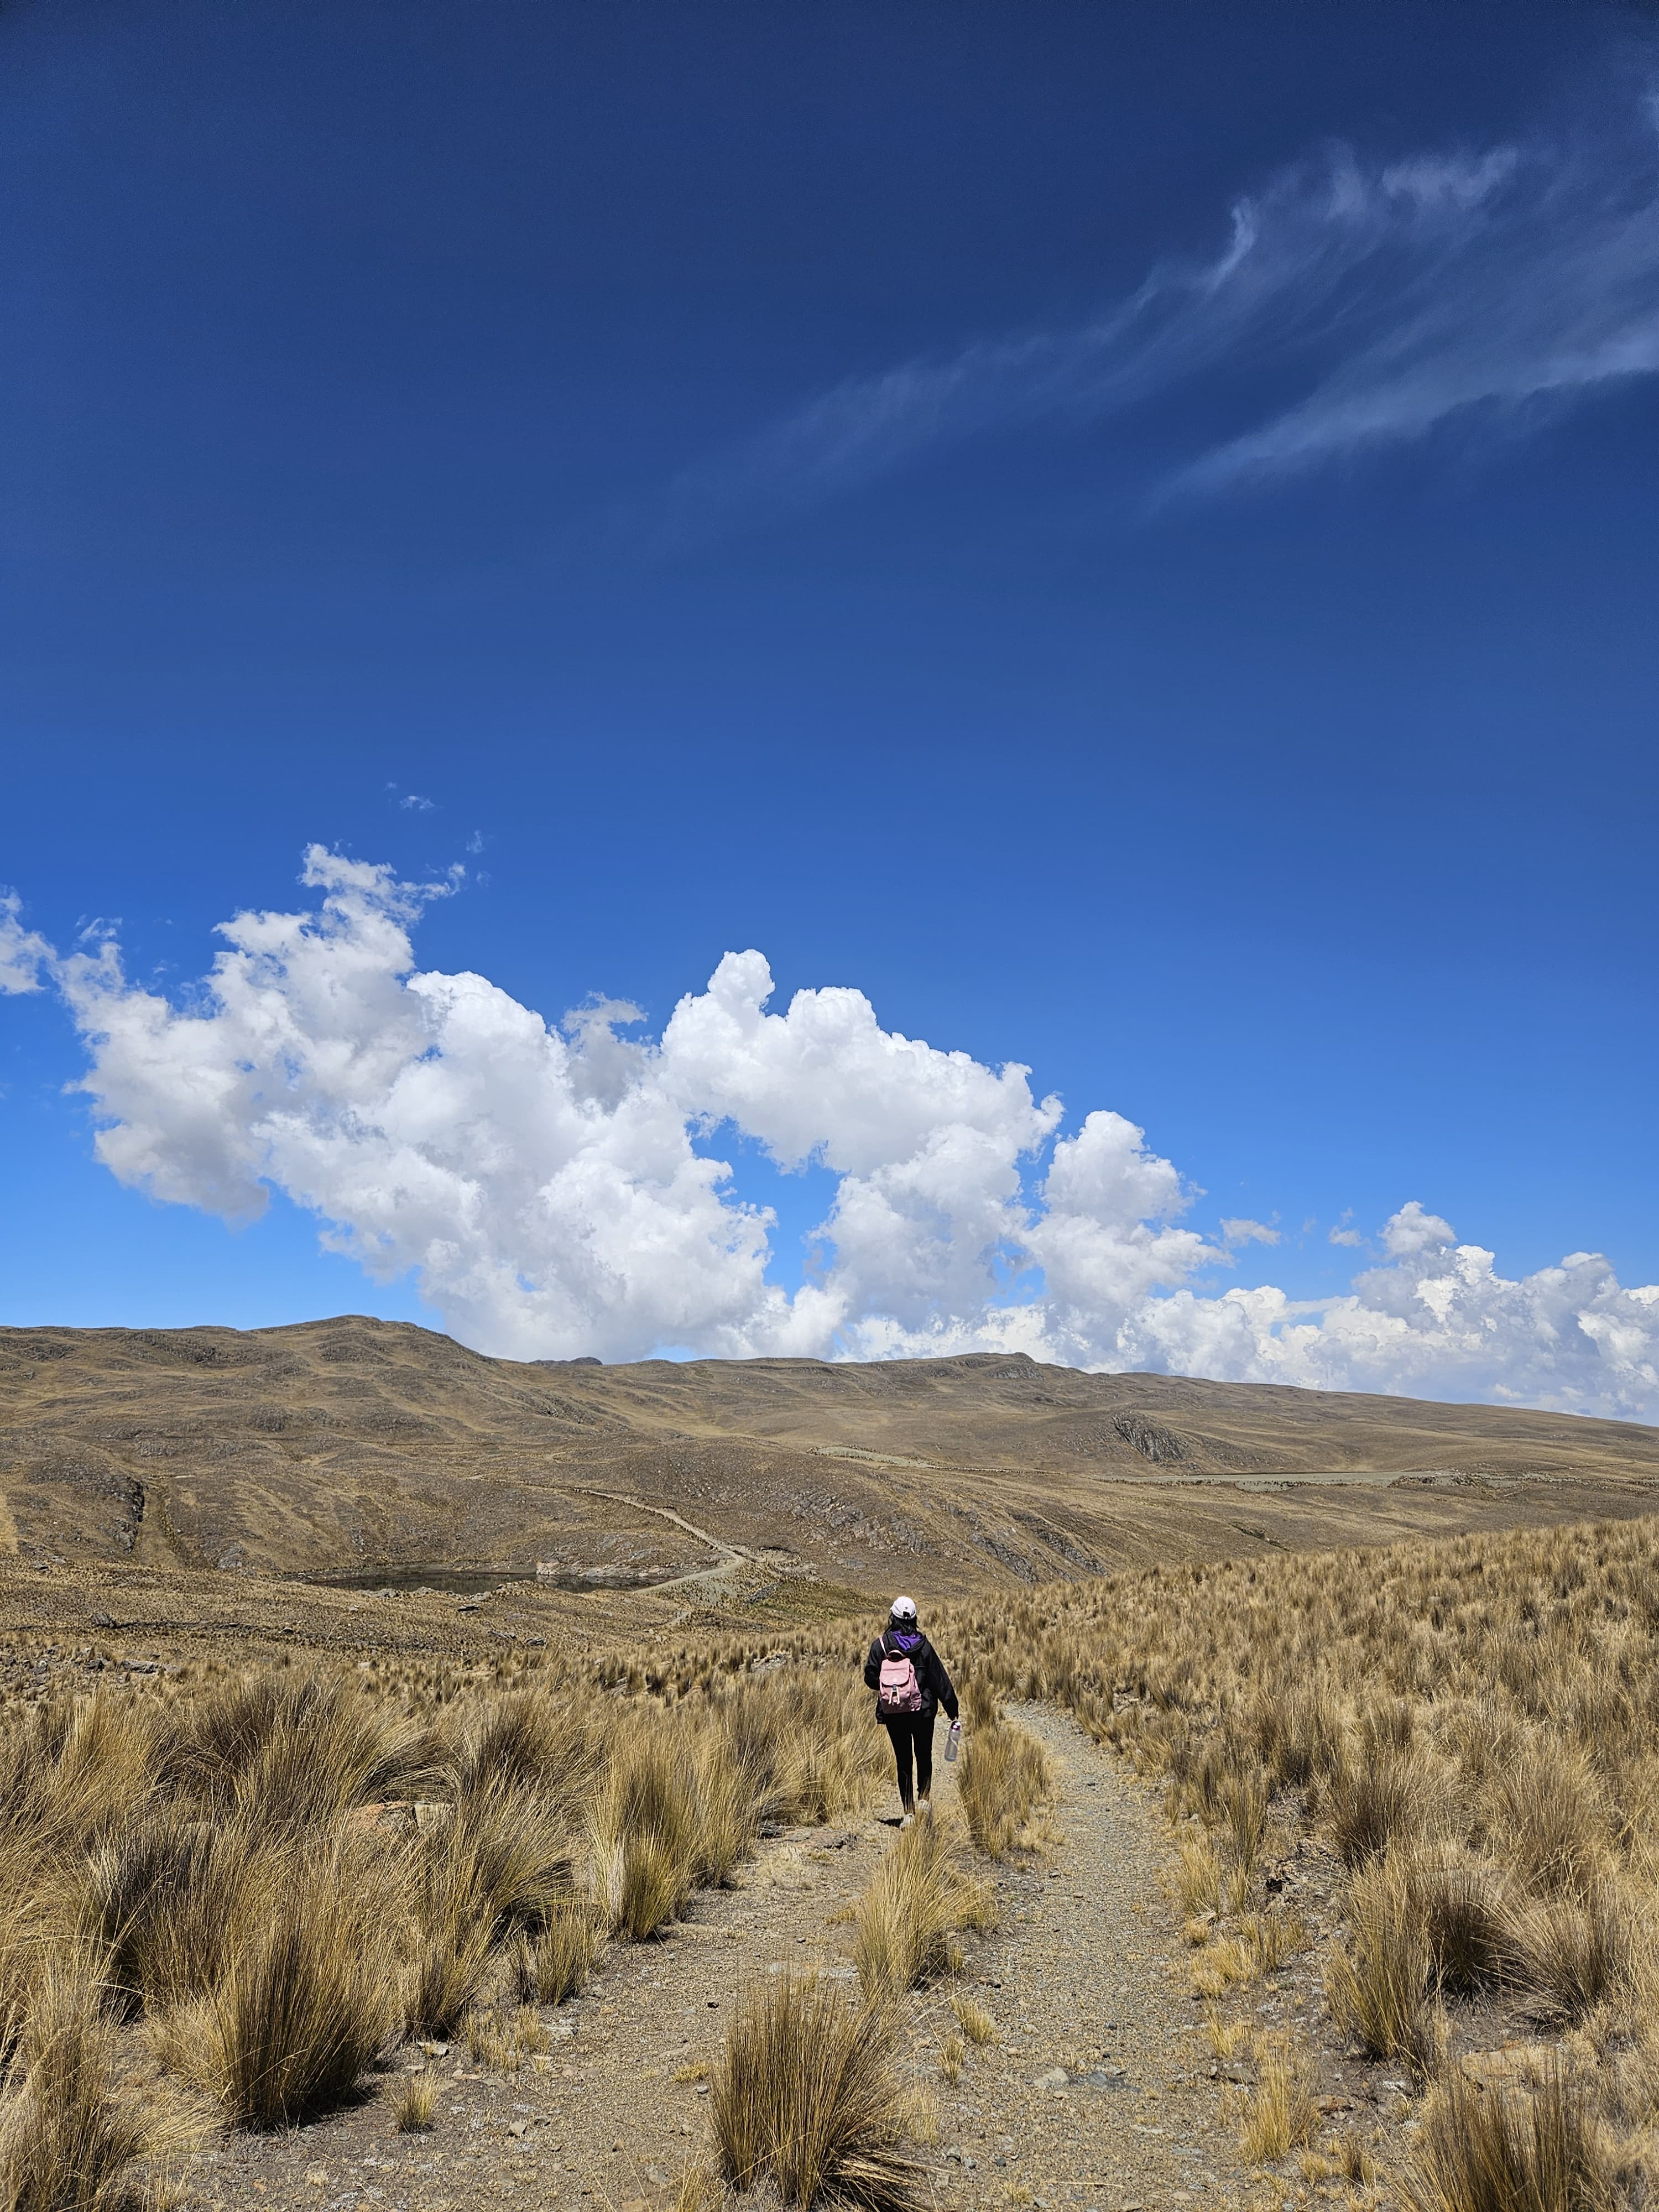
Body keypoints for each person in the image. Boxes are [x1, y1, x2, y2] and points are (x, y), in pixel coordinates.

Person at [864, 1595, 959, 1827]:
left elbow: (869, 1678)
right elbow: (939, 1679)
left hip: (895, 1713)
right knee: (924, 1754)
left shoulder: (881, 1646)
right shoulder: (924, 1646)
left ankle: (908, 1813)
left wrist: (891, 1687)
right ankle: (923, 1799)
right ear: (915, 1618)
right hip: (923, 1712)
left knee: (903, 1760)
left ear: (893, 1617)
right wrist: (952, 1708)